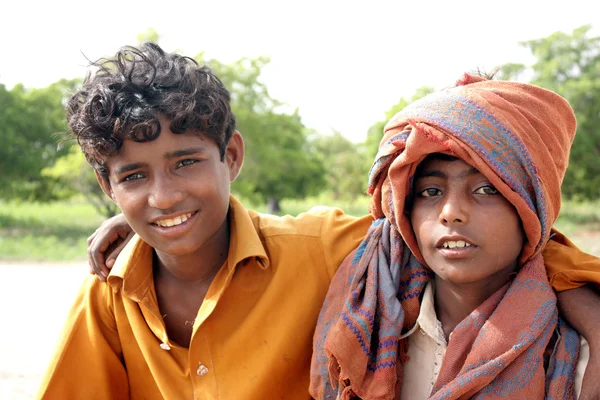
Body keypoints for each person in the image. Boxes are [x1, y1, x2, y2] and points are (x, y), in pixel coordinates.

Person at [40, 43, 600, 399]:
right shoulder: (108, 293)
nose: (164, 196)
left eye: (185, 163)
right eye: (133, 177)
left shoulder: (322, 248)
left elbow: (443, 234)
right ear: (107, 187)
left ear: (231, 156)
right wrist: (136, 223)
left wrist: (584, 298)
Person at [309, 73, 599, 399]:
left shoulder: (579, 359)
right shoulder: (370, 322)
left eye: (487, 189)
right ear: (406, 213)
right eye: (430, 191)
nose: (451, 211)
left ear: (531, 210)